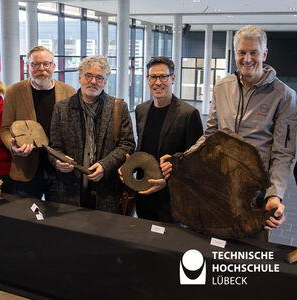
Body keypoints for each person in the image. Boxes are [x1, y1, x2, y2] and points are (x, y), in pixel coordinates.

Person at [204, 25, 296, 233]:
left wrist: (274, 195)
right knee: (212, 252)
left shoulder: (285, 96)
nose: (247, 59)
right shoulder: (221, 87)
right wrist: (184, 158)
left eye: (253, 52)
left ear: (264, 54)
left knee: (248, 259)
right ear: (234, 54)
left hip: (255, 196)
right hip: (219, 188)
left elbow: (283, 154)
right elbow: (210, 136)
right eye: (242, 52)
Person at [49, 55, 135, 213]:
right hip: (71, 192)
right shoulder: (61, 108)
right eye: (88, 76)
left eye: (99, 78)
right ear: (80, 77)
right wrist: (58, 161)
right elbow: (55, 147)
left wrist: (105, 165)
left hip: (107, 193)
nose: (93, 81)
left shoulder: (118, 108)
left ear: (105, 82)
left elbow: (127, 145)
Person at [123, 56, 203, 222]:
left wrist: (168, 182)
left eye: (163, 77)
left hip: (171, 200)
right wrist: (129, 165)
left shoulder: (188, 114)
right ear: (147, 79)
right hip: (144, 195)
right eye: (153, 77)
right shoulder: (141, 110)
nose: (158, 82)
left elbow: (196, 163)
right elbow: (143, 149)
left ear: (172, 78)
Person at [0, 46, 76, 200]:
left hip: (58, 169)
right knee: (27, 218)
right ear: (28, 67)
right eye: (35, 64)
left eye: (46, 64)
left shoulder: (70, 92)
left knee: (56, 220)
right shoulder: (14, 92)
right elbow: (5, 129)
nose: (41, 68)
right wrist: (13, 146)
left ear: (53, 66)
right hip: (26, 167)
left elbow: (75, 131)